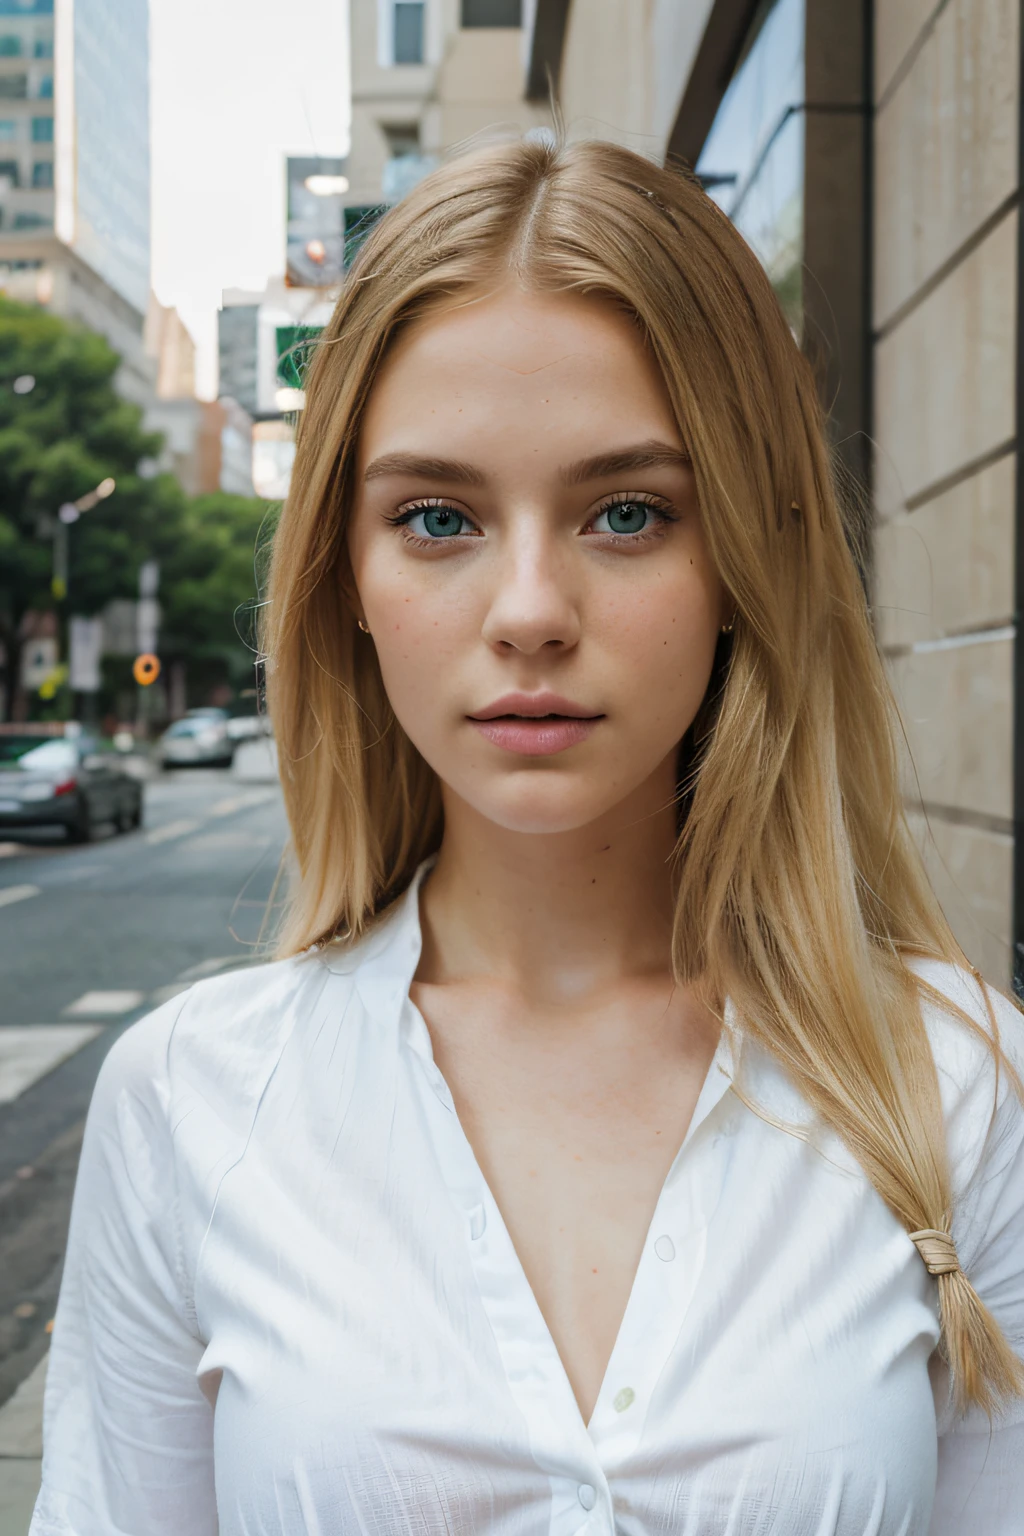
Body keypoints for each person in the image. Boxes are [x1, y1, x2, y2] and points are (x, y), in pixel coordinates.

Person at [31, 137, 1024, 1535]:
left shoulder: (962, 1090)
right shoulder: (192, 1105)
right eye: (437, 517)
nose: (531, 609)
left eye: (628, 513)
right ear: (348, 579)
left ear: (745, 549)